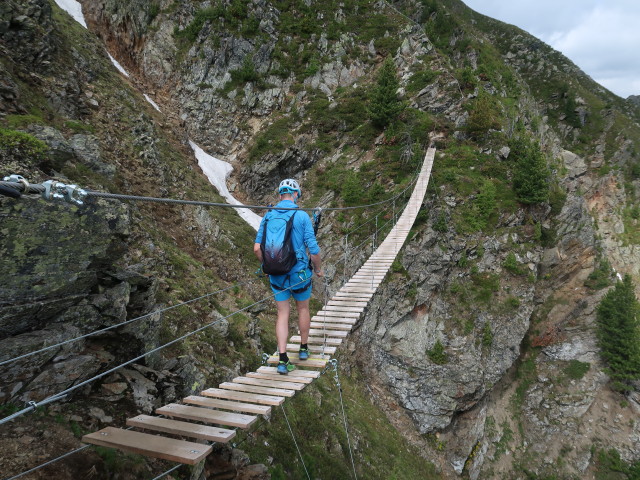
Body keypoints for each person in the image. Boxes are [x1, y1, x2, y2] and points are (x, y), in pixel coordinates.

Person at [254, 179, 323, 374]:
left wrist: (266, 266)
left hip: (277, 275)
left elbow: (257, 248)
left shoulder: (268, 216)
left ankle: (283, 359)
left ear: (280, 194)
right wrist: (318, 269)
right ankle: (303, 349)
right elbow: (314, 250)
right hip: (299, 273)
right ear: (295, 195)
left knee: (282, 314)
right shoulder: (301, 216)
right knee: (303, 308)